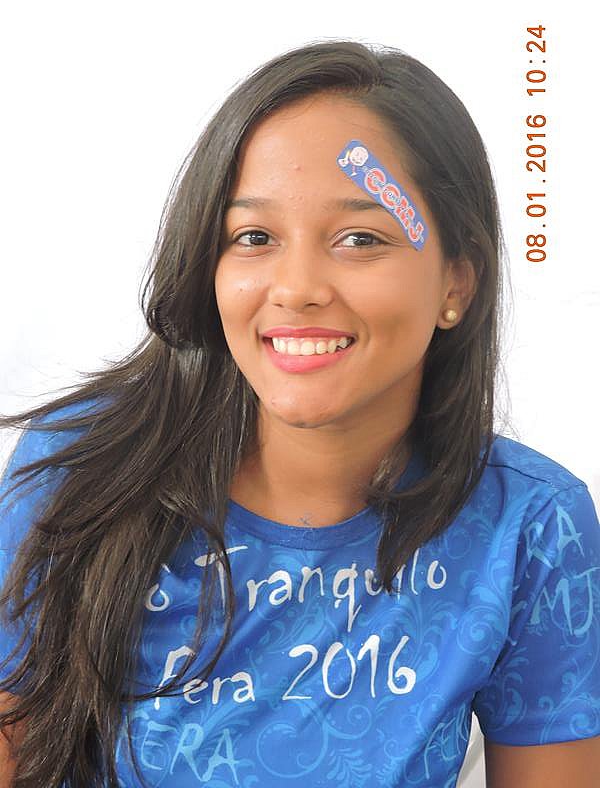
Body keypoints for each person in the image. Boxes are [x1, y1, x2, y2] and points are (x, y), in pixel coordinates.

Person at [0, 39, 599, 788]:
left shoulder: (530, 526)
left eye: (360, 238)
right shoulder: (76, 472)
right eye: (254, 237)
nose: (296, 287)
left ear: (457, 282)